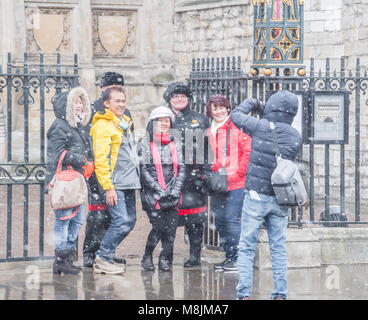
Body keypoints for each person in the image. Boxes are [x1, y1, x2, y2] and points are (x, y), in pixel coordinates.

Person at [230, 90, 302, 300]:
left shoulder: (260, 127)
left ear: (271, 106)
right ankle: (280, 293)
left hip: (256, 196)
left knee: (246, 248)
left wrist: (254, 104)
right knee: (278, 248)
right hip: (280, 198)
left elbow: (236, 115)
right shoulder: (295, 135)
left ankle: (244, 295)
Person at [83, 71, 133, 268]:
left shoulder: (124, 113)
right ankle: (90, 252)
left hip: (117, 173)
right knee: (98, 215)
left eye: (119, 86)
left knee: (115, 216)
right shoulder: (95, 110)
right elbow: (90, 141)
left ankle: (106, 252)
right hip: (98, 169)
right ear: (103, 89)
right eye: (111, 86)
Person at [90, 85, 141, 275]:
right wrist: (108, 187)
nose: (121, 104)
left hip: (129, 182)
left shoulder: (124, 121)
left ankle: (107, 255)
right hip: (116, 183)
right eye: (117, 101)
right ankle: (103, 257)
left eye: (123, 100)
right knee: (120, 221)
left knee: (130, 221)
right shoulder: (102, 125)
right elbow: (101, 159)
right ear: (106, 103)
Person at [45, 87, 94, 275]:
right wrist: (81, 160)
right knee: (64, 221)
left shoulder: (78, 124)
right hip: (65, 181)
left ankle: (66, 258)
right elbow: (57, 153)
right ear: (67, 106)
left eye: (81, 102)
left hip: (76, 180)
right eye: (75, 102)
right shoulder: (60, 125)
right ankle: (60, 260)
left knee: (77, 220)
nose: (79, 105)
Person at [163, 82, 210, 267]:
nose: (179, 99)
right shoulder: (162, 118)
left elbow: (206, 150)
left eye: (183, 96)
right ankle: (166, 256)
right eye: (175, 96)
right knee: (167, 220)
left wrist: (205, 173)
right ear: (169, 99)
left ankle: (194, 256)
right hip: (169, 177)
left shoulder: (200, 119)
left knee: (195, 220)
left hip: (193, 177)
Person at [206, 95, 251, 272]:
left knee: (232, 219)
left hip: (236, 182)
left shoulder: (236, 127)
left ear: (228, 108)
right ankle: (229, 256)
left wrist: (238, 172)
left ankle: (238, 259)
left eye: (221, 107)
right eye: (215, 108)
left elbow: (248, 151)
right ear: (210, 111)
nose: (218, 111)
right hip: (218, 181)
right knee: (221, 221)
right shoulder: (209, 130)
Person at [138, 106, 186, 272]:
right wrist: (158, 189)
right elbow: (144, 170)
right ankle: (147, 256)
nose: (164, 123)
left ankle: (166, 259)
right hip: (154, 195)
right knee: (158, 228)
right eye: (160, 120)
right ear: (153, 122)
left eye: (167, 120)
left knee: (171, 230)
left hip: (173, 193)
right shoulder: (145, 142)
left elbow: (181, 167)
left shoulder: (175, 142)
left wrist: (176, 188)